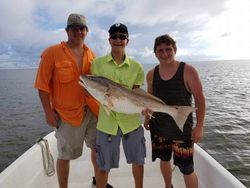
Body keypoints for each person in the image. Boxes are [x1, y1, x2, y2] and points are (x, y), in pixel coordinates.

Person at [34, 13, 112, 188]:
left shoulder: (92, 54)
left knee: (97, 150)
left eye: (81, 28)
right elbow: (42, 86)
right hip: (67, 115)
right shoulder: (51, 53)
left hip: (94, 111)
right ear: (67, 31)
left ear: (87, 31)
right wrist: (48, 112)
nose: (78, 32)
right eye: (74, 28)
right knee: (65, 156)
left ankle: (97, 182)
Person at [144, 34, 206, 188]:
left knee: (187, 169)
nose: (164, 54)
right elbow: (150, 98)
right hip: (159, 128)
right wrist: (147, 119)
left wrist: (199, 126)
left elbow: (200, 99)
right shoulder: (151, 74)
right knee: (164, 160)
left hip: (182, 130)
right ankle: (168, 186)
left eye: (168, 49)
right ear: (155, 53)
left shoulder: (188, 70)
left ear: (175, 50)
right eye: (160, 51)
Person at [91, 23, 146, 188]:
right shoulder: (97, 64)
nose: (118, 39)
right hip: (107, 124)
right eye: (114, 36)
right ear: (109, 40)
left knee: (138, 163)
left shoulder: (137, 67)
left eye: (122, 36)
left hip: (132, 123)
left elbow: (138, 94)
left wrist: (147, 109)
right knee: (102, 167)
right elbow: (94, 89)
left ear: (127, 41)